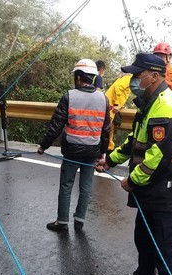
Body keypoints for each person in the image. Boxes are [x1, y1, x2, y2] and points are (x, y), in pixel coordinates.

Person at [95, 53, 172, 275]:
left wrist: (132, 180)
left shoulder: (166, 108)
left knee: (166, 252)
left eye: (136, 75)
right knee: (144, 239)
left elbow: (157, 158)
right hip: (154, 191)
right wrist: (109, 160)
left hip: (169, 193)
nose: (132, 80)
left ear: (153, 76)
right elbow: (136, 142)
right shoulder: (150, 104)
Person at [38, 58, 111, 232]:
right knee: (85, 186)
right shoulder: (103, 99)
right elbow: (106, 129)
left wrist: (43, 146)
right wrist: (102, 153)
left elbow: (55, 126)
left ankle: (62, 222)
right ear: (92, 77)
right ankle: (80, 219)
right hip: (92, 150)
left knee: (66, 185)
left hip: (72, 149)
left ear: (78, 77)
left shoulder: (69, 96)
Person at [104, 73, 132, 154]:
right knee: (107, 132)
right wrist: (117, 104)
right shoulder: (128, 78)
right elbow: (118, 88)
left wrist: (120, 106)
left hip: (110, 107)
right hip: (111, 107)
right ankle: (106, 153)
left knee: (109, 131)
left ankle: (108, 149)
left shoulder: (125, 78)